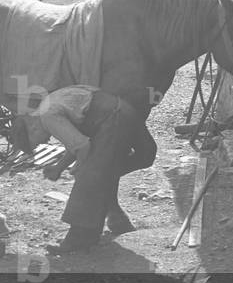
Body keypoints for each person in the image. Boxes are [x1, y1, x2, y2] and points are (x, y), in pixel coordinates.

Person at [11, 85, 144, 253]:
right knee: (118, 164)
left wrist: (80, 169)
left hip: (113, 119)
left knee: (88, 176)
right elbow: (78, 143)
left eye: (35, 142)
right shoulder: (48, 104)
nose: (41, 143)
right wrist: (59, 168)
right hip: (123, 111)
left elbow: (82, 147)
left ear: (32, 128)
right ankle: (91, 235)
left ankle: (77, 239)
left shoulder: (47, 117)